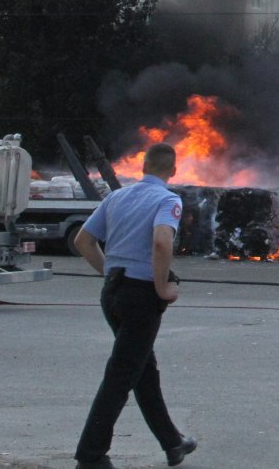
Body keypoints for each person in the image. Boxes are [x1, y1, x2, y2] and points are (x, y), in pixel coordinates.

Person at [73, 143, 198, 469]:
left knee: (143, 370)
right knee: (121, 376)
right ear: (172, 170)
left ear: (143, 166)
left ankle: (173, 443)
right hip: (141, 296)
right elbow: (161, 241)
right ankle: (91, 456)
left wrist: (109, 271)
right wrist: (162, 287)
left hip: (113, 292)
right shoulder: (168, 200)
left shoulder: (116, 197)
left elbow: (82, 241)